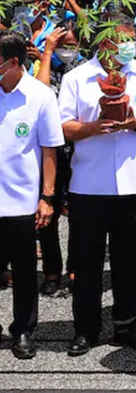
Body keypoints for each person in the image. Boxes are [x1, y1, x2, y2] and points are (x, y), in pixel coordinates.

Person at [58, 17, 136, 357]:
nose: (127, 46)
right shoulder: (77, 77)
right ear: (103, 41)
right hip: (88, 186)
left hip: (135, 186)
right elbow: (64, 127)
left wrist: (134, 122)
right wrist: (95, 127)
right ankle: (85, 329)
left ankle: (127, 326)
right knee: (87, 265)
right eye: (121, 39)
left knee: (130, 264)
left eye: (131, 40)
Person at [0, 30, 64, 359]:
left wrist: (47, 197)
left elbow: (49, 149)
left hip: (21, 201)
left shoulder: (40, 96)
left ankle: (22, 329)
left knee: (25, 272)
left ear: (13, 62)